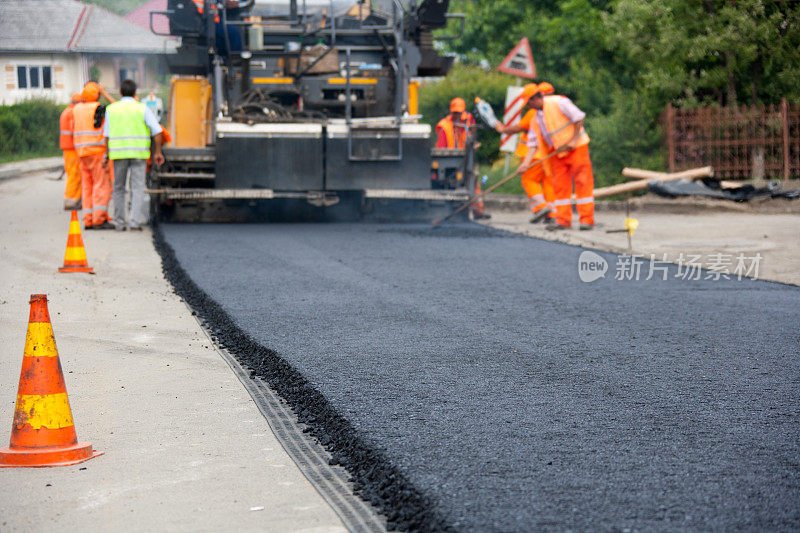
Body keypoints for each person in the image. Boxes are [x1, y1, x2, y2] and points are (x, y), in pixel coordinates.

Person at [517, 85, 594, 230]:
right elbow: (533, 143)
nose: (528, 106)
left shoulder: (559, 102)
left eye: (529, 103)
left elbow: (579, 117)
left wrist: (572, 140)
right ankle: (563, 220)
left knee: (583, 182)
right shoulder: (535, 118)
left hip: (577, 147)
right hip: (557, 152)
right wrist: (525, 164)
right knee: (560, 186)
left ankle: (586, 220)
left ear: (536, 98)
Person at [103, 79, 165, 231]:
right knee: (137, 188)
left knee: (118, 188)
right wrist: (157, 152)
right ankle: (134, 223)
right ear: (135, 92)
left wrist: (106, 155)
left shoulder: (111, 109)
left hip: (118, 154)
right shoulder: (142, 109)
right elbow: (157, 131)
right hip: (139, 154)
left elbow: (107, 135)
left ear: (120, 92)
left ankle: (119, 223)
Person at [495, 82, 556, 224]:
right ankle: (552, 214)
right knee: (548, 183)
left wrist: (503, 129)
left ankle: (541, 208)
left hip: (534, 155)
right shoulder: (553, 110)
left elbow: (519, 128)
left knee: (528, 179)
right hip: (550, 154)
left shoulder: (534, 113)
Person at [436, 97, 490, 220]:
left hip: (467, 157)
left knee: (473, 182)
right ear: (451, 112)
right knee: (450, 184)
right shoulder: (444, 126)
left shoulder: (469, 121)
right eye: (455, 113)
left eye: (459, 112)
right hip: (450, 160)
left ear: (463, 111)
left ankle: (478, 211)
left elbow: (473, 134)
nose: (457, 115)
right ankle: (448, 210)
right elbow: (441, 146)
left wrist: (474, 143)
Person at [73, 82, 116, 229]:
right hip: (97, 153)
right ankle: (99, 219)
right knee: (101, 185)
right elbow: (117, 109)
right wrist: (105, 93)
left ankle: (88, 219)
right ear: (97, 94)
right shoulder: (100, 108)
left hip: (81, 153)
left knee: (87, 186)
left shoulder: (77, 109)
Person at [59, 92, 83, 210]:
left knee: (72, 174)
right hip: (73, 148)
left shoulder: (66, 111)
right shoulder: (73, 113)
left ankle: (73, 199)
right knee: (75, 175)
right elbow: (75, 130)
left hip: (67, 148)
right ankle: (71, 201)